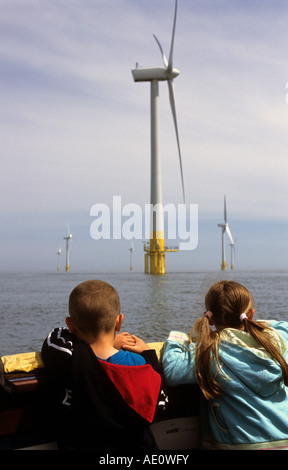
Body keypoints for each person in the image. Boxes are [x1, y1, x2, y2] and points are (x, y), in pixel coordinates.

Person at [162, 280, 288, 450]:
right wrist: (254, 324)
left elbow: (173, 370)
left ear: (210, 318)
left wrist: (177, 339)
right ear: (251, 314)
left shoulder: (209, 351)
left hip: (238, 445)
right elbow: (282, 326)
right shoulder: (278, 341)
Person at [41, 279, 164, 450]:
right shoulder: (141, 366)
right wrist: (149, 355)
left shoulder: (71, 362)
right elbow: (160, 401)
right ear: (119, 322)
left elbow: (54, 338)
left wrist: (78, 329)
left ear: (70, 324)